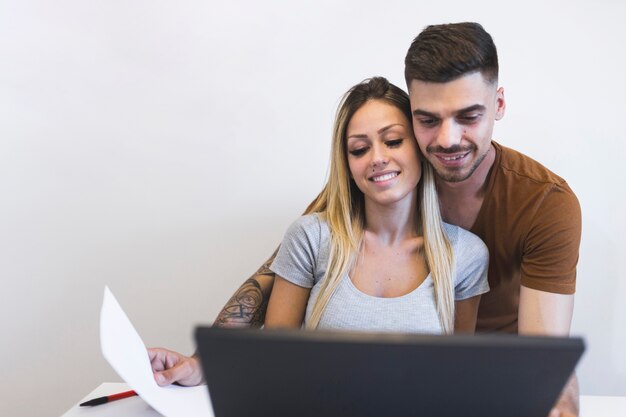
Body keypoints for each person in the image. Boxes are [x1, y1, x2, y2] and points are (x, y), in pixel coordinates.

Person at [149, 22, 581, 417]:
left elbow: (543, 354)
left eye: (469, 116)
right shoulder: (378, 177)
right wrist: (204, 363)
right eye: (428, 120)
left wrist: (553, 403)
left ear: (498, 103)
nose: (448, 139)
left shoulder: (543, 204)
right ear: (413, 119)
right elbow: (274, 274)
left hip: (487, 386)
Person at [263, 77, 488, 333]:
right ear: (346, 164)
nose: (378, 158)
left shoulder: (465, 254)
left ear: (420, 148)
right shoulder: (310, 238)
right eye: (359, 149)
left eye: (393, 141)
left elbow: (457, 369)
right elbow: (276, 362)